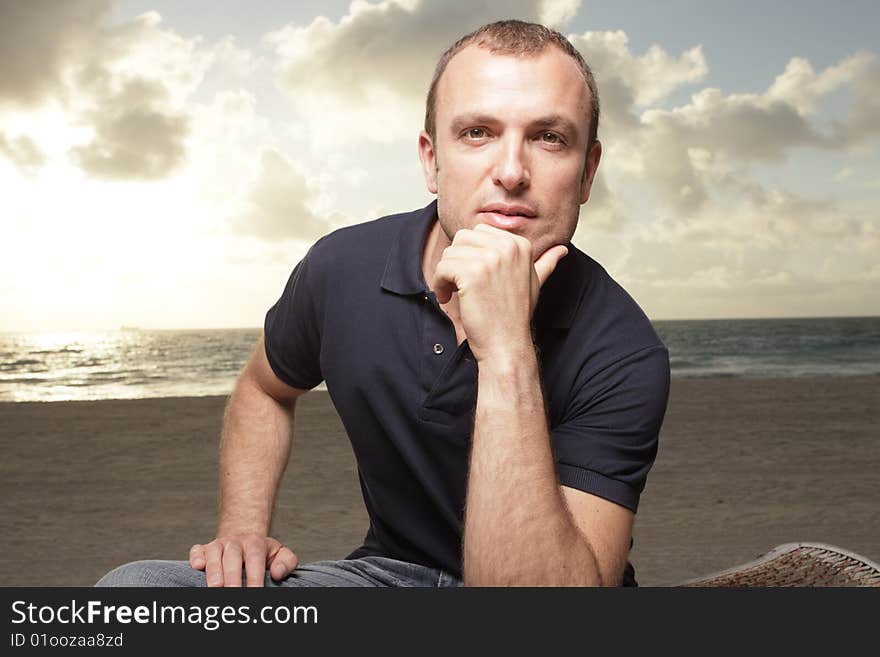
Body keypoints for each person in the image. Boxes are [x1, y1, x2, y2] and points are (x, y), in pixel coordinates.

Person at [97, 19, 669, 588]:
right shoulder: (342, 267)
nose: (512, 172)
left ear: (588, 171)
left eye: (550, 137)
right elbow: (265, 387)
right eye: (476, 133)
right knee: (136, 591)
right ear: (430, 159)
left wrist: (505, 350)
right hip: (391, 580)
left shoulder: (623, 352)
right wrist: (242, 529)